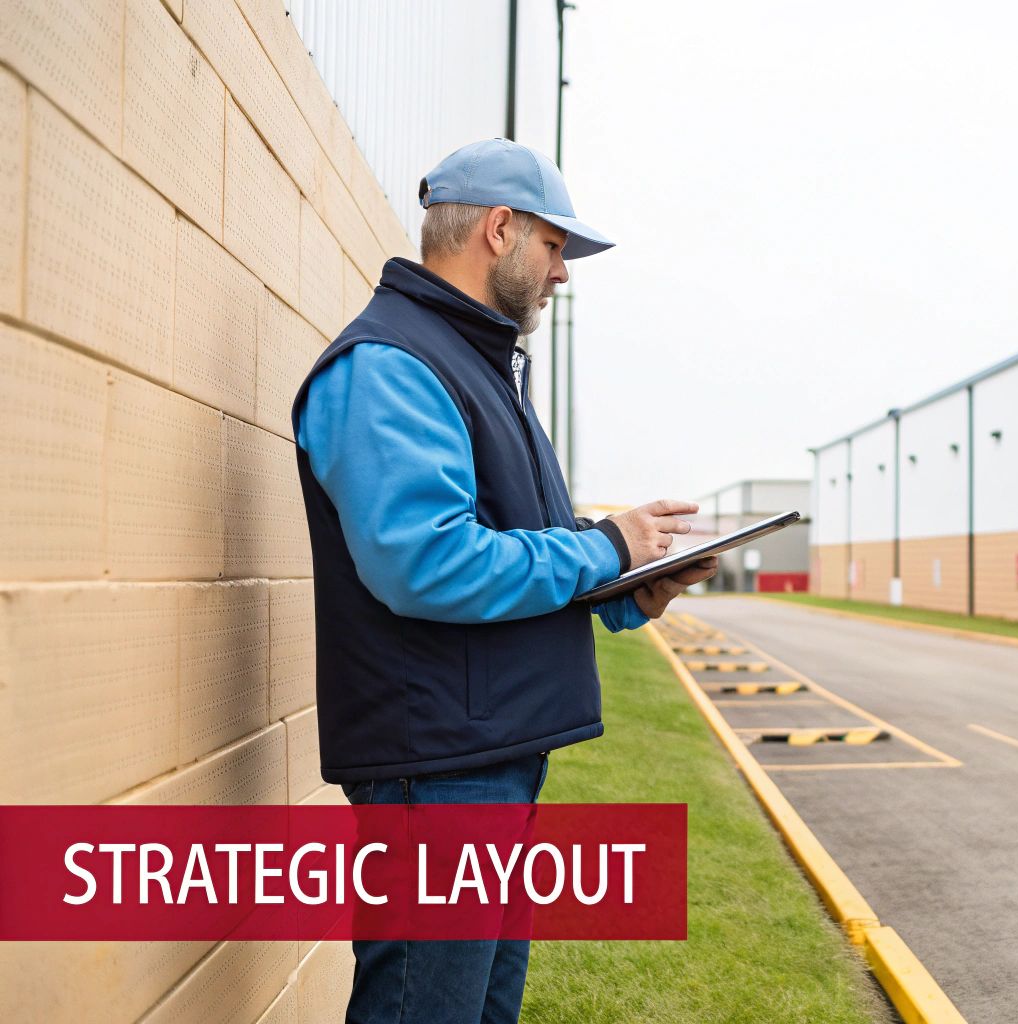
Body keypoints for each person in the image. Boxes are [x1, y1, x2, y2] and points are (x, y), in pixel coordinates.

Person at [290, 137, 714, 1024]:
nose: (562, 274)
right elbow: (428, 564)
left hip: (487, 756)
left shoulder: (478, 366)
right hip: (437, 771)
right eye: (555, 247)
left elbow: (522, 552)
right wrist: (604, 547)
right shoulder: (392, 365)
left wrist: (634, 587)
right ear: (499, 229)